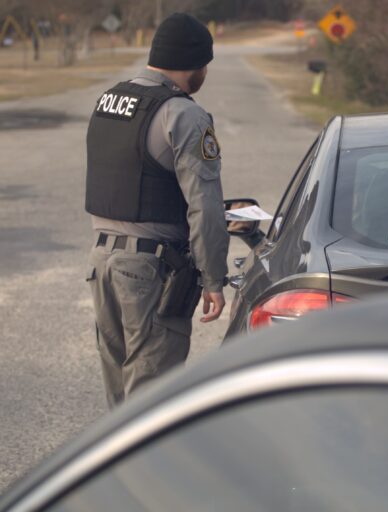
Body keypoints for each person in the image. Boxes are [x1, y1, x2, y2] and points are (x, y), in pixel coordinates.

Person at [84, 13, 229, 408]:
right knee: (151, 406)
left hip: (101, 264)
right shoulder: (184, 115)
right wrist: (213, 278)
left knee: (120, 405)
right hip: (151, 272)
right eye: (205, 66)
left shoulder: (109, 100)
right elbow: (205, 206)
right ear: (195, 64)